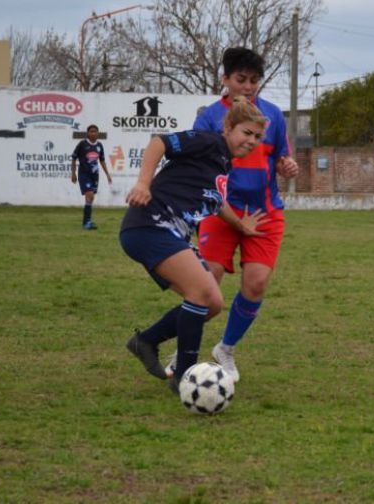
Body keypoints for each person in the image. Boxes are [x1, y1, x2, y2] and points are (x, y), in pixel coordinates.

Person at [120, 97, 267, 392]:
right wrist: (142, 184)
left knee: (212, 303)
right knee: (200, 292)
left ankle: (146, 341)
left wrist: (241, 226)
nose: (251, 141)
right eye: (246, 133)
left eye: (257, 137)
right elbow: (159, 142)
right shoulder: (209, 142)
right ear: (229, 127)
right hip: (149, 224)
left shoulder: (223, 162)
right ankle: (186, 377)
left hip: (168, 233)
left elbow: (214, 202)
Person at [191, 47, 299, 383]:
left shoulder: (273, 116)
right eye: (241, 80)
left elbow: (281, 158)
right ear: (225, 80)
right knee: (206, 289)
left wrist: (288, 165)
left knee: (256, 283)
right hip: (219, 212)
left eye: (254, 81)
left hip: (264, 212)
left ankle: (226, 349)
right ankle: (180, 354)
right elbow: (198, 167)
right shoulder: (209, 117)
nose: (248, 87)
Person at [71, 124, 112, 230]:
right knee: (90, 196)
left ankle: (87, 221)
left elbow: (102, 160)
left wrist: (107, 174)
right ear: (87, 133)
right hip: (84, 174)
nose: (93, 133)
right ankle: (87, 222)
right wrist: (73, 173)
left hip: (95, 175)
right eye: (91, 131)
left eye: (95, 131)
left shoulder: (99, 145)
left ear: (98, 133)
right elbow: (74, 158)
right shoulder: (82, 144)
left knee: (90, 198)